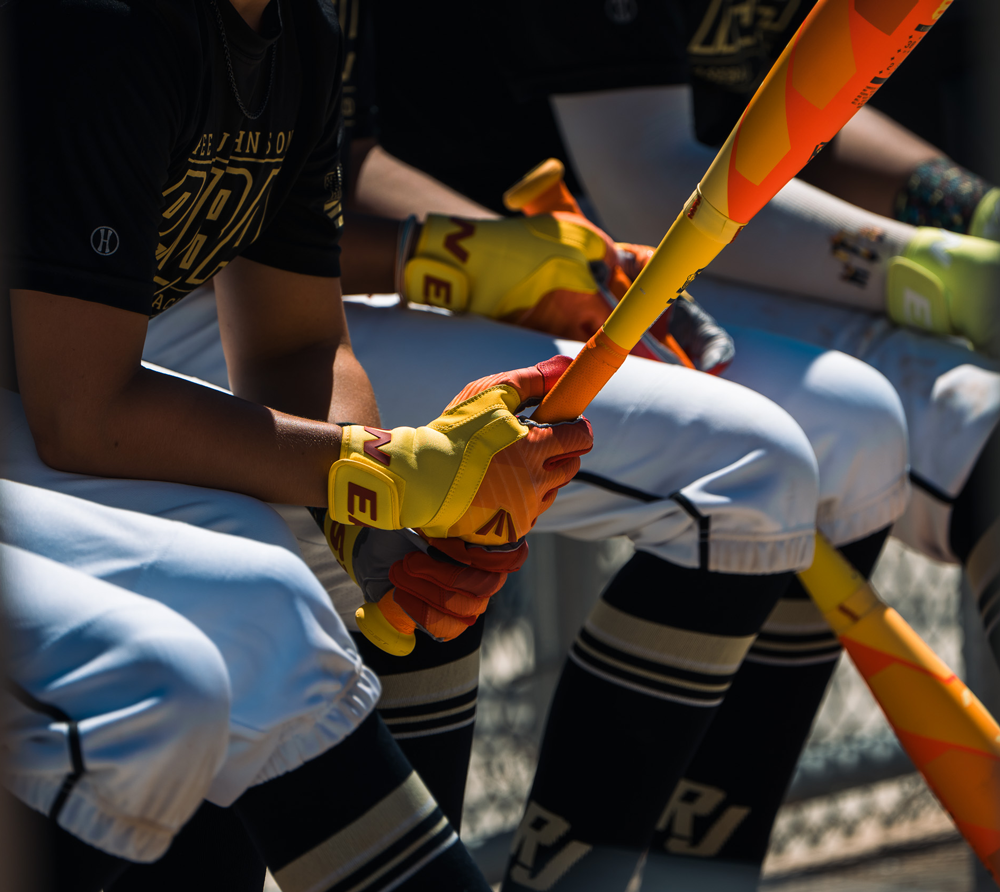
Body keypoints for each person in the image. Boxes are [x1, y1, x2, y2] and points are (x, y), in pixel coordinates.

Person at [132, 2, 912, 889]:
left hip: (276, 313)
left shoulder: (303, 31)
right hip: (121, 343)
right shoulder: (101, 35)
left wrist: (500, 252)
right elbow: (81, 377)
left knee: (816, 439)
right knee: (744, 467)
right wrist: (447, 275)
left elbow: (321, 188)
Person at [361, 0, 1000, 888]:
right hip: (499, 257)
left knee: (852, 433)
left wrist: (972, 217)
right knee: (771, 457)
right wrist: (927, 274)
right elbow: (642, 171)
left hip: (634, 248)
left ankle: (702, 876)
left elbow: (800, 99)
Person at [0, 1, 593, 891]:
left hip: (42, 396)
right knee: (252, 608)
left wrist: (375, 526)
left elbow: (296, 347)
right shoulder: (107, 24)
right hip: (57, 398)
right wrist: (393, 470)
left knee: (327, 582)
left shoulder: (302, 38)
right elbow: (81, 410)